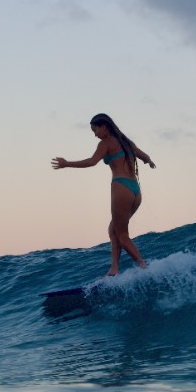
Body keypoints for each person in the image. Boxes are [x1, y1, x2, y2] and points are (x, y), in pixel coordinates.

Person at [52, 113, 157, 276]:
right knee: (113, 229)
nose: (95, 134)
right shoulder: (127, 142)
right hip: (135, 191)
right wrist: (149, 162)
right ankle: (114, 268)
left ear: (104, 127)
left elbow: (91, 161)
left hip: (121, 187)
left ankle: (144, 268)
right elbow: (145, 156)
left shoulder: (106, 142)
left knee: (122, 235)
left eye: (95, 130)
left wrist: (67, 164)